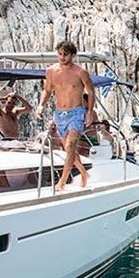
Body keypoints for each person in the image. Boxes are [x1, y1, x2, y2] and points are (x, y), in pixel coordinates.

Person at [35, 41, 97, 190]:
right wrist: (41, 105)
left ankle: (62, 181)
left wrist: (89, 112)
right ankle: (83, 173)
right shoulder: (51, 71)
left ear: (73, 55)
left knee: (70, 145)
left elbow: (91, 92)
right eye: (60, 54)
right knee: (68, 148)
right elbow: (48, 90)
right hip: (59, 114)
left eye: (66, 54)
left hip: (76, 112)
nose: (62, 57)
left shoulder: (80, 72)